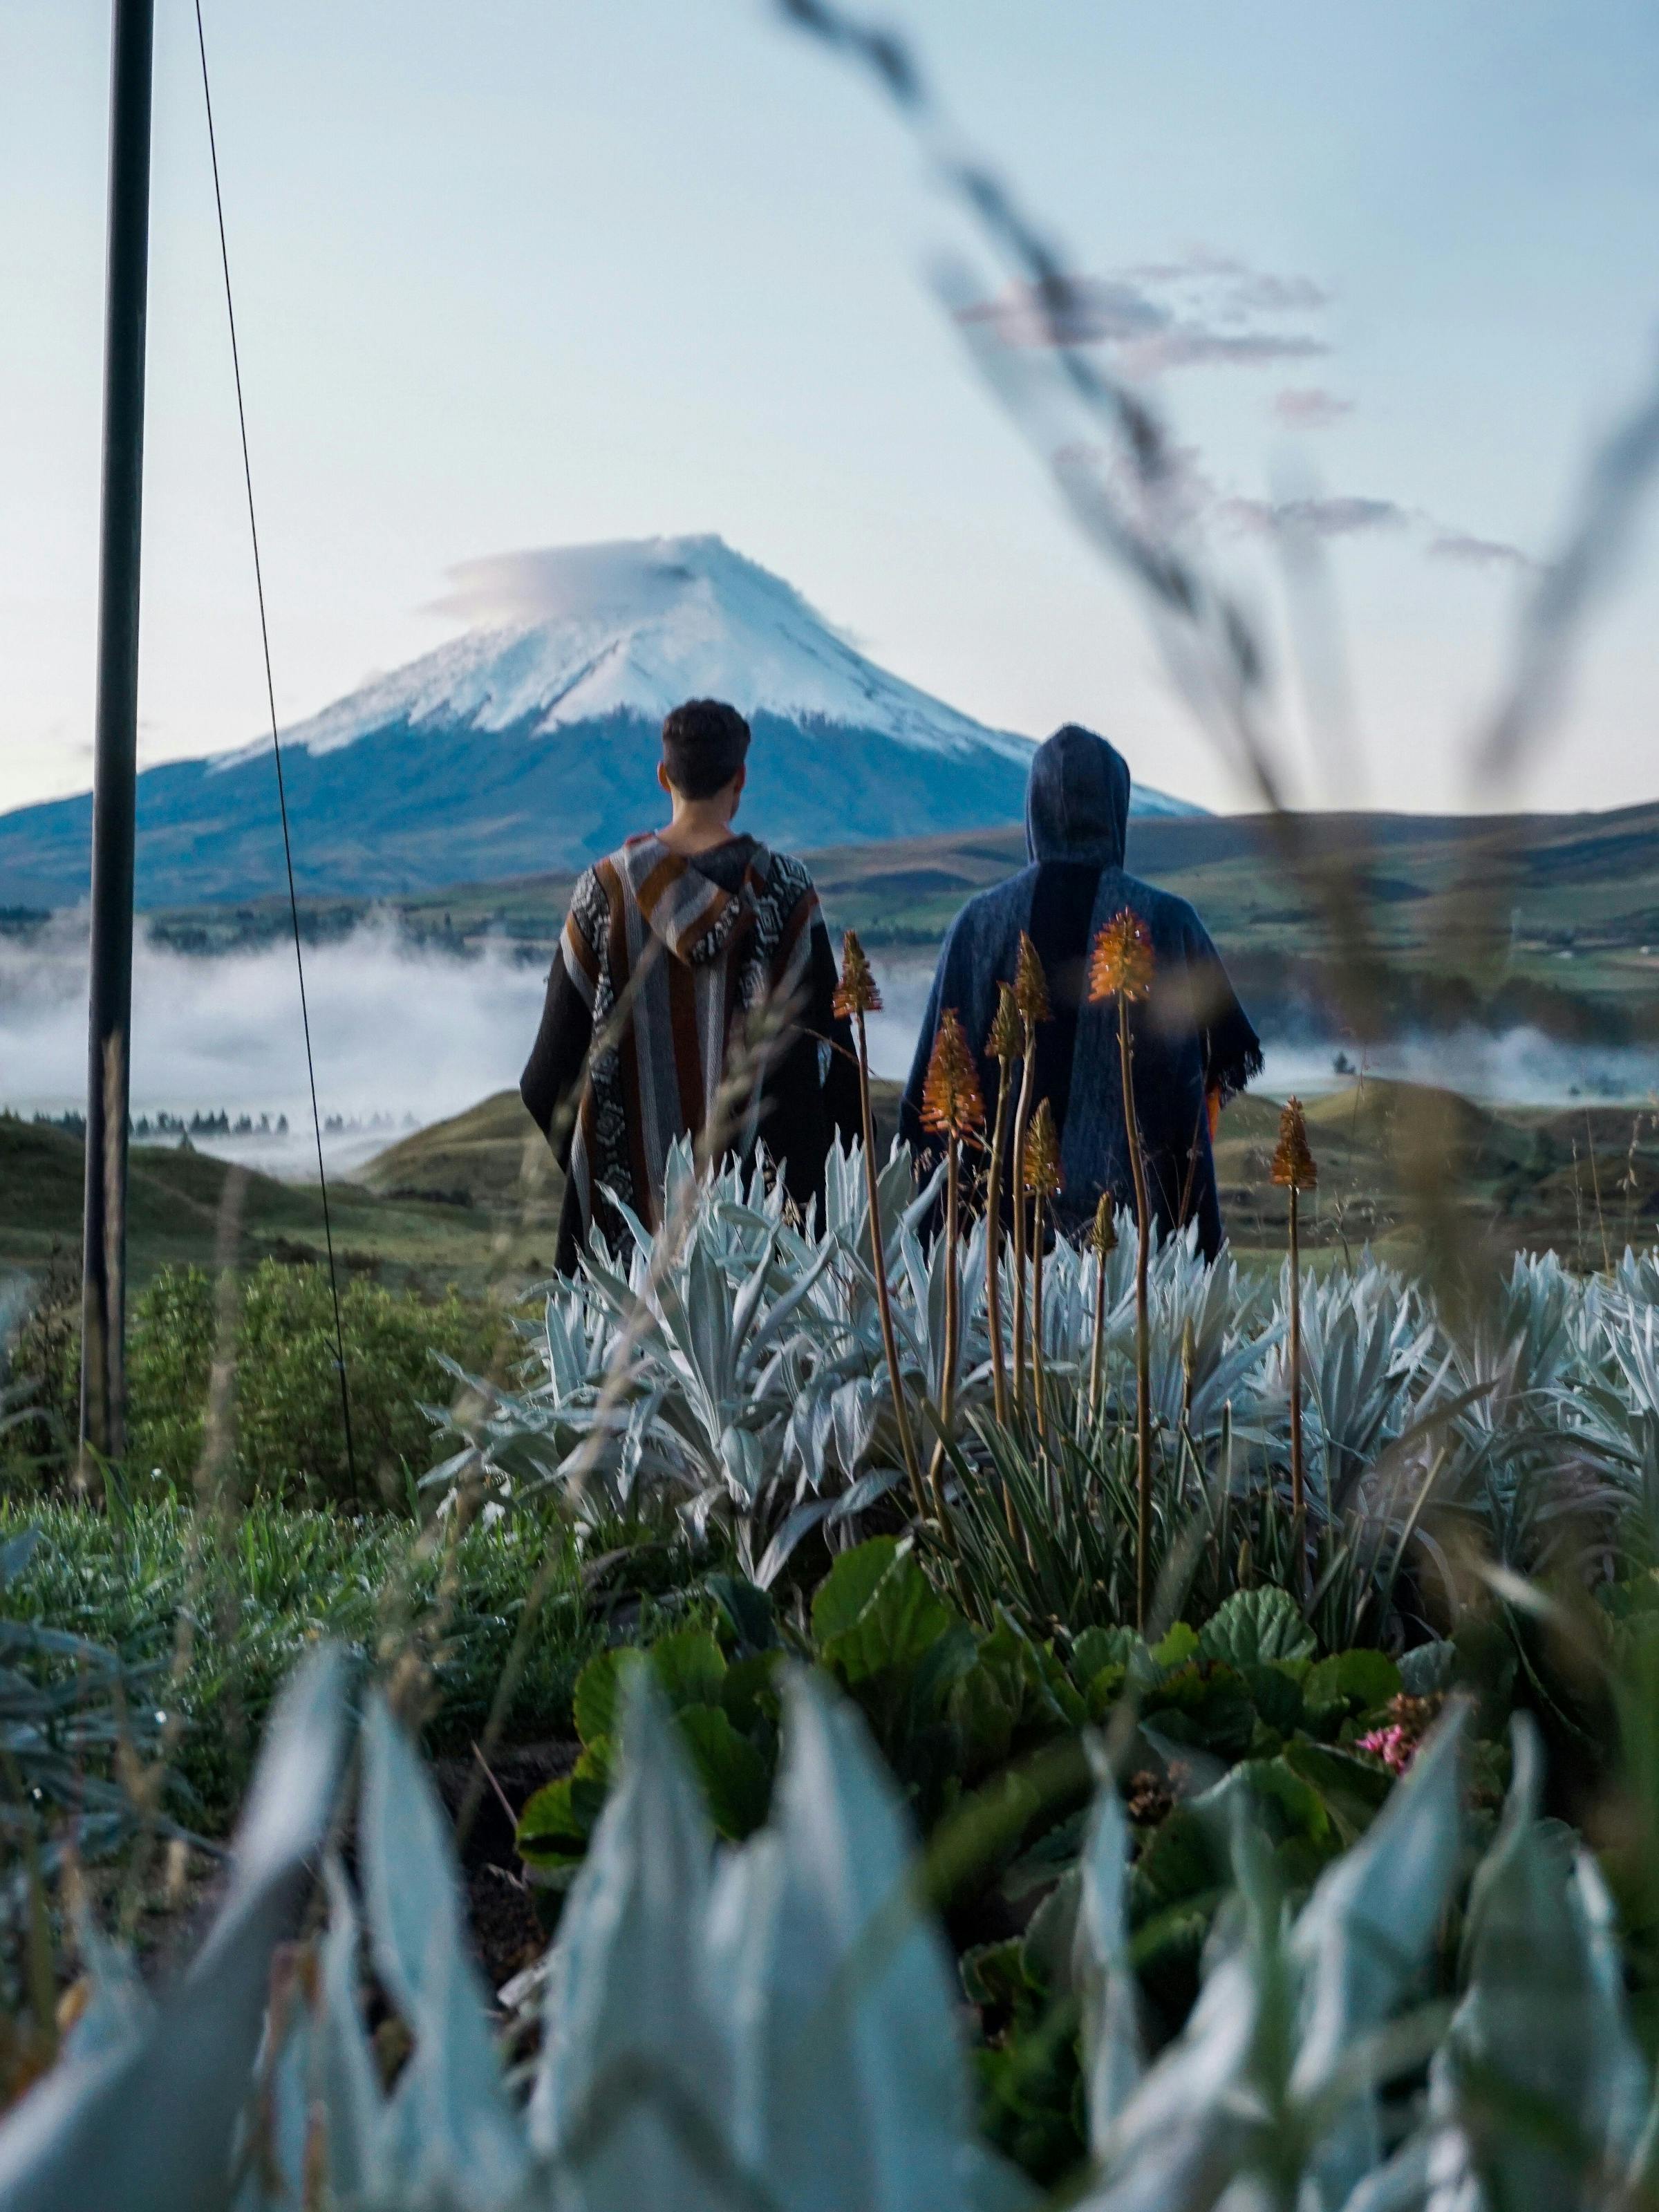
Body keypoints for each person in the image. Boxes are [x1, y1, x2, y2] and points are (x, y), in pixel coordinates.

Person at [522, 697, 859, 1271]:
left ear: (663, 777)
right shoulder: (786, 893)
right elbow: (835, 1076)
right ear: (741, 779)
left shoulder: (602, 894)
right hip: (767, 1262)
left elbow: (545, 1079)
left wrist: (610, 1180)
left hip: (625, 1267)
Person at [900, 724, 1260, 1259]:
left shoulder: (976, 926)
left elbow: (929, 1102)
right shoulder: (1167, 921)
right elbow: (1210, 1080)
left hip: (988, 1259)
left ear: (1034, 812)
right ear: (1118, 809)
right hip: (1130, 1254)